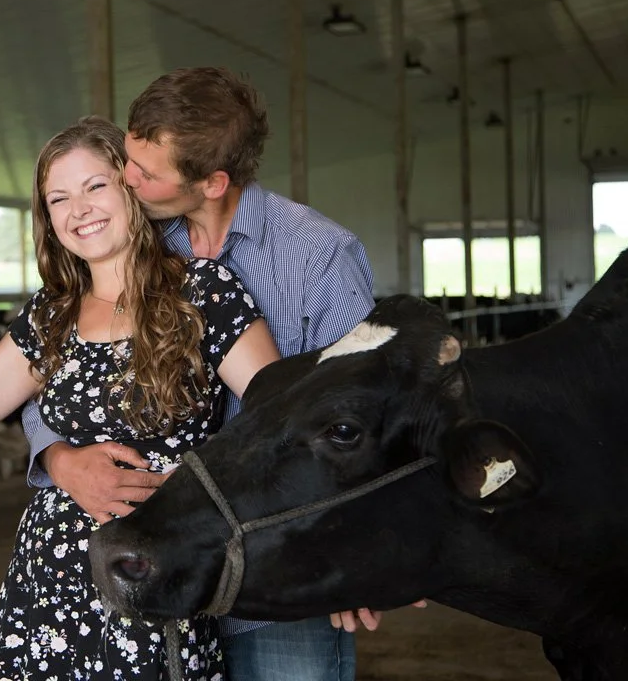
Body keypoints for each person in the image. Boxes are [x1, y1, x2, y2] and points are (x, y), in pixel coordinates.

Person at [0, 116, 281, 679]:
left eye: (95, 186)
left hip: (156, 582)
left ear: (130, 186)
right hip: (47, 593)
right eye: (59, 197)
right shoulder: (50, 315)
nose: (78, 208)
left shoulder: (203, 293)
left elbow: (280, 424)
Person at [23, 67, 379, 681]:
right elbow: (59, 375)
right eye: (128, 161)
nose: (126, 180)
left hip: (278, 570)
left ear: (212, 182)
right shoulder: (140, 244)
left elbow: (366, 417)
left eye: (143, 173)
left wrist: (353, 548)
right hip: (172, 568)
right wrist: (58, 459)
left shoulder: (321, 256)